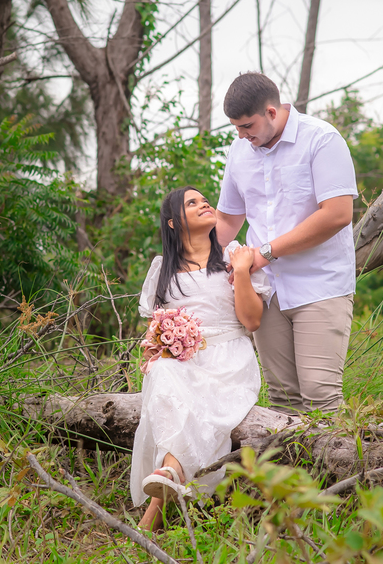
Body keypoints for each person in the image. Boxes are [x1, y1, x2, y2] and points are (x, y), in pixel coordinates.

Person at [215, 72, 358, 415]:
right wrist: (185, 263)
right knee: (281, 400)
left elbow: (338, 214)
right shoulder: (239, 151)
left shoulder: (321, 139)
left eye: (247, 126)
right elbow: (228, 220)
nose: (242, 135)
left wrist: (265, 253)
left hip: (320, 284)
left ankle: (341, 469)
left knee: (320, 395)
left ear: (272, 112)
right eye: (236, 128)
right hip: (265, 291)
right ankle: (290, 471)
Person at [131, 186, 270, 532]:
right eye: (192, 203)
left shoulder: (235, 255)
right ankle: (170, 477)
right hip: (183, 363)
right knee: (162, 371)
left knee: (196, 403)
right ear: (174, 223)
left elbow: (252, 321)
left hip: (229, 361)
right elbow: (153, 334)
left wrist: (240, 272)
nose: (204, 203)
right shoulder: (163, 269)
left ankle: (158, 501)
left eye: (204, 199)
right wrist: (164, 342)